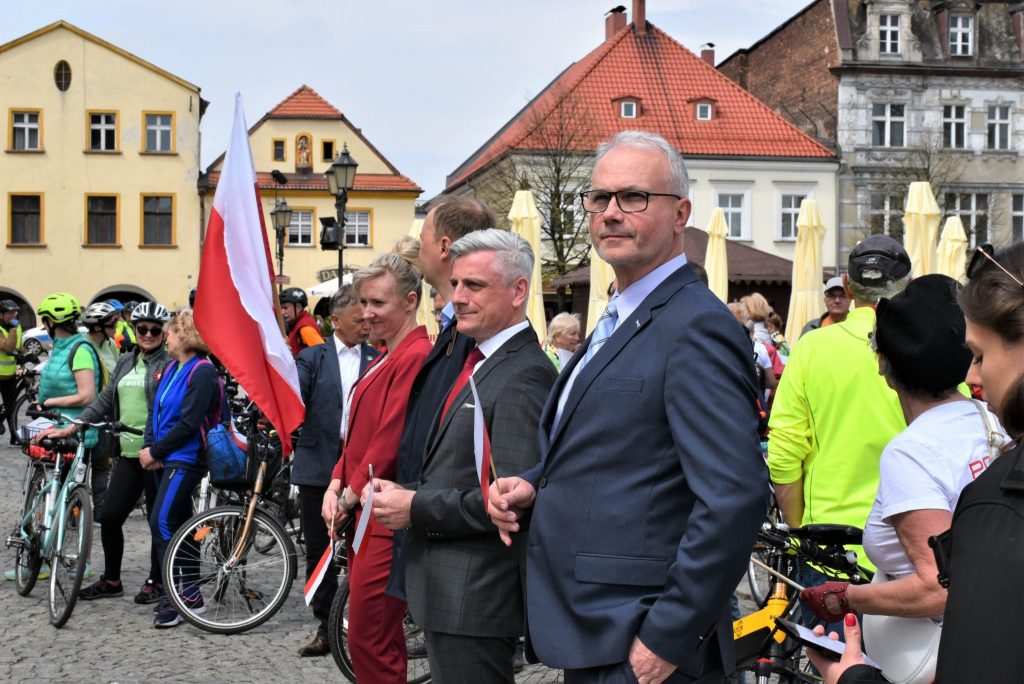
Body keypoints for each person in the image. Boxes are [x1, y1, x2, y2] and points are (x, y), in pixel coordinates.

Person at [488, 130, 767, 682]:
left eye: (634, 197)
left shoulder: (696, 326)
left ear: (680, 212)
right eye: (600, 198)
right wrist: (536, 483)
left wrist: (668, 635)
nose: (611, 213)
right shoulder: (621, 314)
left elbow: (734, 496)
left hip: (641, 638)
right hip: (594, 628)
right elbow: (627, 443)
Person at [804, 243, 1024, 684]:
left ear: (884, 366)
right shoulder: (992, 421)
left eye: (981, 357)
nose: (976, 375)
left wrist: (847, 597)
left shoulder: (910, 452)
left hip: (931, 663)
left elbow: (939, 586)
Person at [369, 229, 558, 682]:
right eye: (455, 285)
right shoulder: (482, 359)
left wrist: (415, 506)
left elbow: (509, 503)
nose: (458, 298)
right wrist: (407, 491)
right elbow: (463, 471)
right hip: (452, 591)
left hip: (475, 595)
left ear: (517, 292)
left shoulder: (524, 375)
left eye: (474, 286)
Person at [768, 235, 910, 629]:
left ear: (847, 288)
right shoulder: (924, 349)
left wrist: (797, 530)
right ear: (907, 285)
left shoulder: (813, 348)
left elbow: (784, 454)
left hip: (829, 546)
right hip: (910, 546)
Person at [320, 243, 433, 683]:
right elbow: (356, 437)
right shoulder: (386, 355)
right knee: (370, 635)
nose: (366, 312)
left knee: (372, 635)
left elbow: (388, 439)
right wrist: (334, 484)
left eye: (377, 303)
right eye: (363, 302)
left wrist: (345, 495)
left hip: (385, 514)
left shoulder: (414, 356)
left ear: (410, 302)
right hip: (366, 508)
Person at [386, 196, 496, 603]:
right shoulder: (455, 331)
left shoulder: (473, 338)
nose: (421, 246)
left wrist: (417, 503)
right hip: (429, 532)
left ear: (445, 246)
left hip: (455, 554)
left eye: (425, 237)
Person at [42, 302, 173, 604]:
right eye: (142, 328)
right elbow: (103, 400)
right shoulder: (126, 360)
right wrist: (70, 428)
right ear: (135, 329)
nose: (149, 334)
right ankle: (112, 580)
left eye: (155, 329)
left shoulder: (168, 364)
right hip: (128, 453)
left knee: (157, 520)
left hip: (157, 454)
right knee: (111, 516)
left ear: (164, 333)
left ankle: (157, 581)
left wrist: (158, 446)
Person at [292, 284, 379, 657]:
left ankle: (359, 624)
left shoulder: (377, 357)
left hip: (363, 468)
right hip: (317, 469)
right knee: (320, 552)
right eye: (358, 319)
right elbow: (294, 403)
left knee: (363, 549)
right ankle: (326, 626)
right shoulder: (312, 358)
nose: (366, 324)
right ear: (336, 320)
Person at [140, 310, 221, 629]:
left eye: (170, 332)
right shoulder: (174, 367)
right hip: (166, 457)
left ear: (184, 335)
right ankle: (190, 592)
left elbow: (189, 422)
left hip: (186, 458)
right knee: (180, 524)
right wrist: (150, 449)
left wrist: (158, 451)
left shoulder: (201, 371)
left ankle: (177, 595)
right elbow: (156, 411)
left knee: (161, 522)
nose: (165, 337)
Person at [0, 298, 23, 443]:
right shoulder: (8, 328)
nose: (13, 315)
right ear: (1, 314)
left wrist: (26, 355)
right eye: (10, 313)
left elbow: (18, 347)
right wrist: (13, 329)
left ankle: (14, 436)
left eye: (14, 312)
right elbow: (8, 348)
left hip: (10, 374)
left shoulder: (17, 327)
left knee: (12, 407)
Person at [281, 287, 324, 356]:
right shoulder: (297, 323)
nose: (282, 312)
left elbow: (323, 354)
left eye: (285, 308)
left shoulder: (305, 328)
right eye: (281, 308)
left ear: (298, 307)